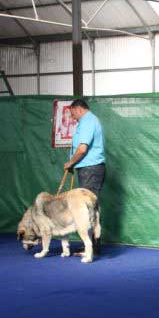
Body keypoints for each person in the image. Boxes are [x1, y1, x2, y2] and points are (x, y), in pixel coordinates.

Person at [63, 99, 105, 255]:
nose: (72, 117)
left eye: (72, 113)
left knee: (88, 208)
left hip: (90, 169)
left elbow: (82, 149)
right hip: (89, 168)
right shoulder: (89, 120)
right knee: (91, 207)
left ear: (79, 109)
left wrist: (70, 163)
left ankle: (92, 247)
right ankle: (93, 246)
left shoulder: (87, 121)